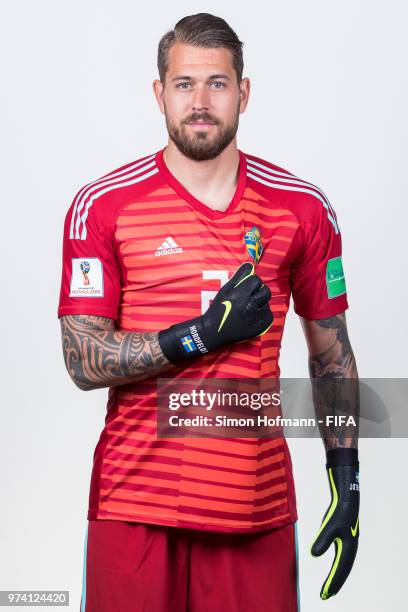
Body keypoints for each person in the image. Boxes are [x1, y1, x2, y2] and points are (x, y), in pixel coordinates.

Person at [58, 13, 360, 612]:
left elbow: (332, 353)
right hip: (134, 506)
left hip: (256, 506)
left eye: (217, 84)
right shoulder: (103, 205)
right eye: (184, 84)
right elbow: (82, 360)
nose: (200, 102)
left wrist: (346, 475)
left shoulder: (301, 208)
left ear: (243, 94)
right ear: (159, 93)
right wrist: (196, 336)